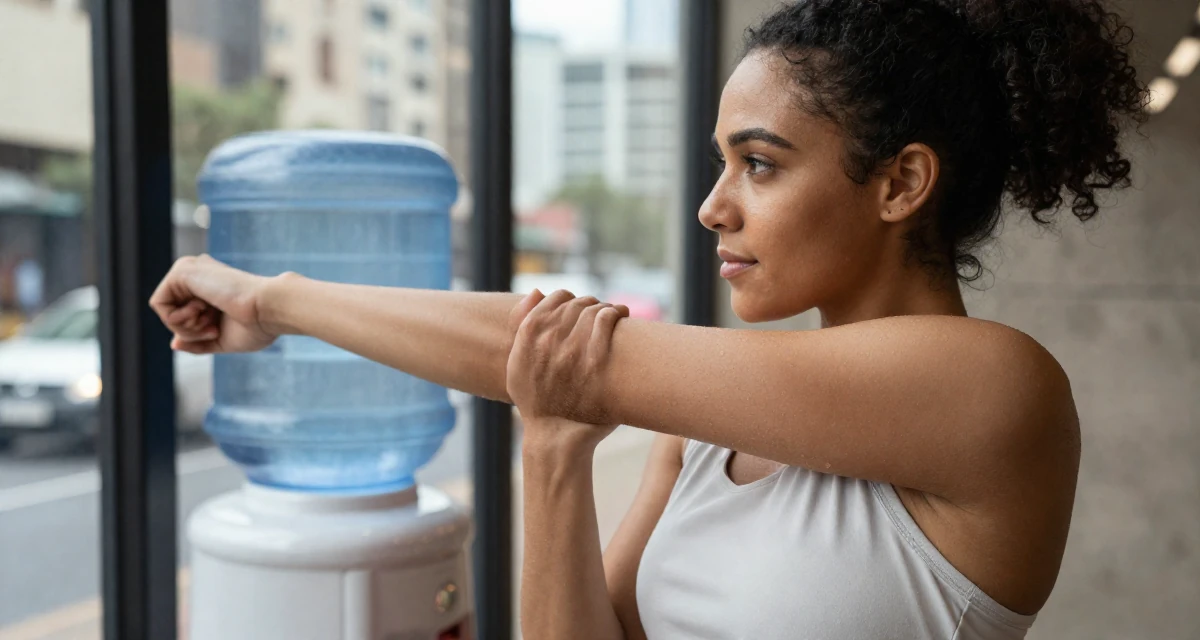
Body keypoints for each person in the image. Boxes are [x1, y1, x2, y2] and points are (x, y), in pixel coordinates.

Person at [150, 0, 1146, 637]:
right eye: (720, 162)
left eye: (758, 163)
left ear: (900, 182)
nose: (715, 206)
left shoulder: (998, 389)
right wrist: (551, 456)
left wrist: (272, 299)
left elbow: (550, 344)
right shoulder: (703, 434)